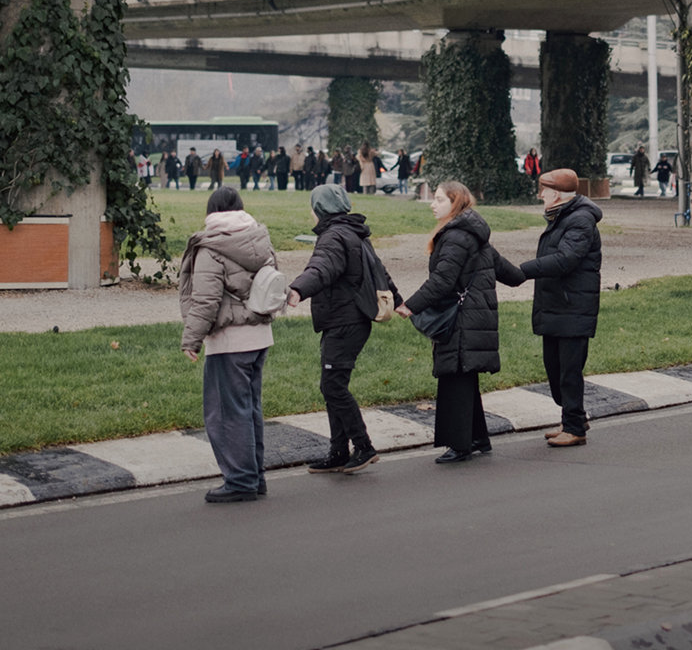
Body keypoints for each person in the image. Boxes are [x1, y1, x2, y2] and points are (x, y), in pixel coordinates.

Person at [398, 182, 521, 463]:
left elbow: (442, 281)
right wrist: (534, 272)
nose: (433, 204)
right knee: (464, 377)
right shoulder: (474, 234)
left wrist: (410, 305)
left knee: (454, 376)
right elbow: (510, 274)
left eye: (439, 199)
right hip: (476, 316)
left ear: (455, 203)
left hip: (462, 319)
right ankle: (477, 438)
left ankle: (460, 444)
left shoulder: (455, 236)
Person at [286, 184, 402, 474]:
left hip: (345, 322)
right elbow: (380, 270)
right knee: (332, 385)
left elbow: (322, 268)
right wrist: (399, 301)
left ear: (320, 209)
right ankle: (338, 451)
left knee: (333, 386)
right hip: (348, 320)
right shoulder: (353, 232)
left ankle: (363, 447)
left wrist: (298, 289)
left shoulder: (333, 236)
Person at [179, 186, 278, 503]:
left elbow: (205, 300)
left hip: (229, 341)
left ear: (211, 212)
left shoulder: (210, 247)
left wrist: (191, 339)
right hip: (260, 336)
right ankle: (255, 476)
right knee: (249, 409)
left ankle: (240, 480)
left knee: (226, 414)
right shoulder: (259, 239)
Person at [510, 168, 602, 447]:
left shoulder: (580, 220)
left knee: (569, 372)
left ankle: (574, 429)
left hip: (573, 307)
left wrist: (523, 271)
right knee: (555, 369)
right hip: (556, 306)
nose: (541, 196)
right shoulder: (562, 217)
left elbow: (565, 259)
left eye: (545, 191)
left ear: (558, 195)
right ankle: (574, 418)